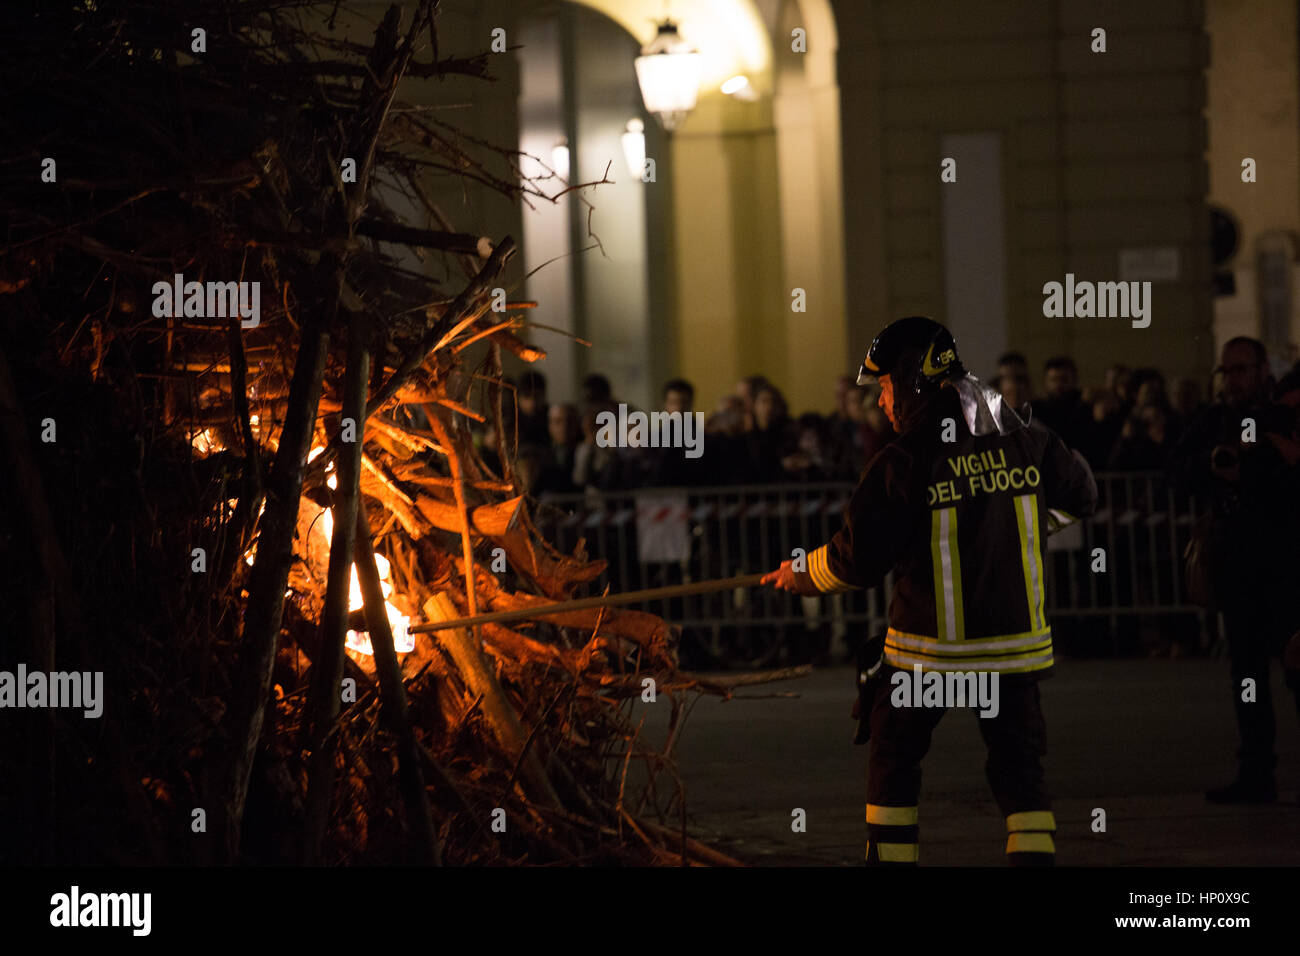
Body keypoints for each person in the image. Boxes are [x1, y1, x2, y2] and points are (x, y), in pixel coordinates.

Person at [762, 316, 1097, 866]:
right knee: (1020, 772)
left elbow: (857, 559)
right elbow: (1080, 494)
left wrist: (799, 575)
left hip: (929, 655)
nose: (882, 403)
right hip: (1013, 651)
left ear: (914, 379)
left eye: (887, 388)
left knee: (894, 757)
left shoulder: (905, 459)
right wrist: (1015, 534)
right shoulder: (1024, 436)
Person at [1170, 337, 1300, 803]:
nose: (1232, 380)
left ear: (1263, 369)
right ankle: (1255, 772)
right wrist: (1212, 465)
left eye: (1241, 370)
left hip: (1286, 564)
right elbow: (1175, 468)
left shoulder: (1286, 415)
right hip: (1238, 567)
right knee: (1246, 678)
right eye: (1226, 371)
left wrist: (1253, 468)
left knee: (1297, 670)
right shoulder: (1214, 419)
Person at [1032, 356, 1093, 454]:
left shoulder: (1085, 406)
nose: (1058, 385)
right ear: (1046, 382)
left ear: (1074, 380)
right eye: (1053, 380)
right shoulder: (1036, 409)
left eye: (1064, 380)